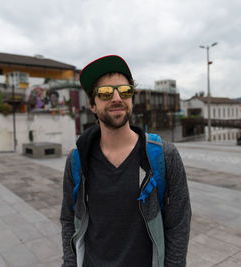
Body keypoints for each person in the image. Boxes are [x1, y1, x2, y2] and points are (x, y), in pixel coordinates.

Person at [60, 55, 191, 267]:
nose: (116, 98)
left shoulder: (165, 157)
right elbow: (68, 219)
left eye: (125, 91)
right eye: (105, 93)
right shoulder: (77, 161)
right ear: (92, 105)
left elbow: (178, 226)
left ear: (131, 99)